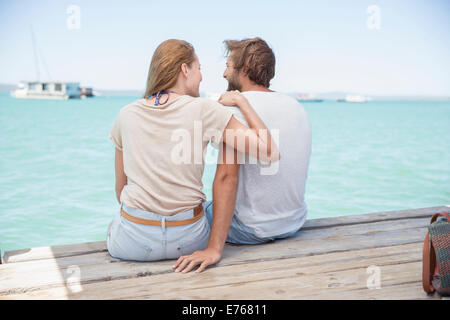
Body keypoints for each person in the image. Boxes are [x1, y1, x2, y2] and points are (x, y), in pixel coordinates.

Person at [107, 39, 279, 262]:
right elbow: (268, 151)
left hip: (133, 244)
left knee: (116, 222)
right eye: (199, 69)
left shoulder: (126, 114)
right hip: (188, 241)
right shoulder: (205, 109)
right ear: (184, 69)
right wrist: (241, 101)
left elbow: (121, 191)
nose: (201, 76)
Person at [173, 37, 311, 273]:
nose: (224, 75)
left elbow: (227, 178)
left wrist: (214, 249)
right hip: (292, 223)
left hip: (250, 229)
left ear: (244, 69)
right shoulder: (296, 106)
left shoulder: (235, 109)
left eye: (227, 66)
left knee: (183, 213)